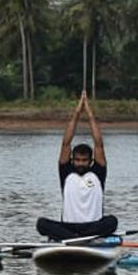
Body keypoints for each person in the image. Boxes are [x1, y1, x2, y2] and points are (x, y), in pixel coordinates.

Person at [36, 91, 118, 240]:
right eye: (78, 160)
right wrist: (77, 113)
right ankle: (77, 237)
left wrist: (89, 113)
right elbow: (66, 143)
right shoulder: (66, 172)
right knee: (41, 223)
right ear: (73, 160)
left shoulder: (98, 172)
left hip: (93, 225)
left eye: (84, 160)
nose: (80, 163)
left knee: (112, 221)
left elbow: (99, 144)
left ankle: (75, 238)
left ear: (90, 161)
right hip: (68, 226)